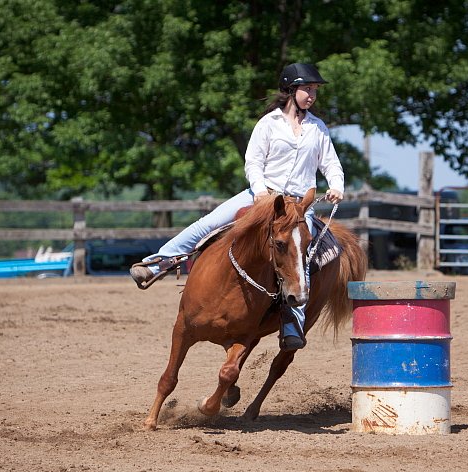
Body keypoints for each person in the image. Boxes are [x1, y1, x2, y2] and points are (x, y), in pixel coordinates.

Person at [130, 62, 345, 351]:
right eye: (307, 89)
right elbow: (253, 162)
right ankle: (158, 262)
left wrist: (336, 186)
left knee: (301, 258)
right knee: (208, 223)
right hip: (262, 195)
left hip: (297, 205)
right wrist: (259, 192)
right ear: (291, 90)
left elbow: (331, 163)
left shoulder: (318, 129)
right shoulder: (268, 124)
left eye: (315, 90)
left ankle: (292, 323)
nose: (312, 95)